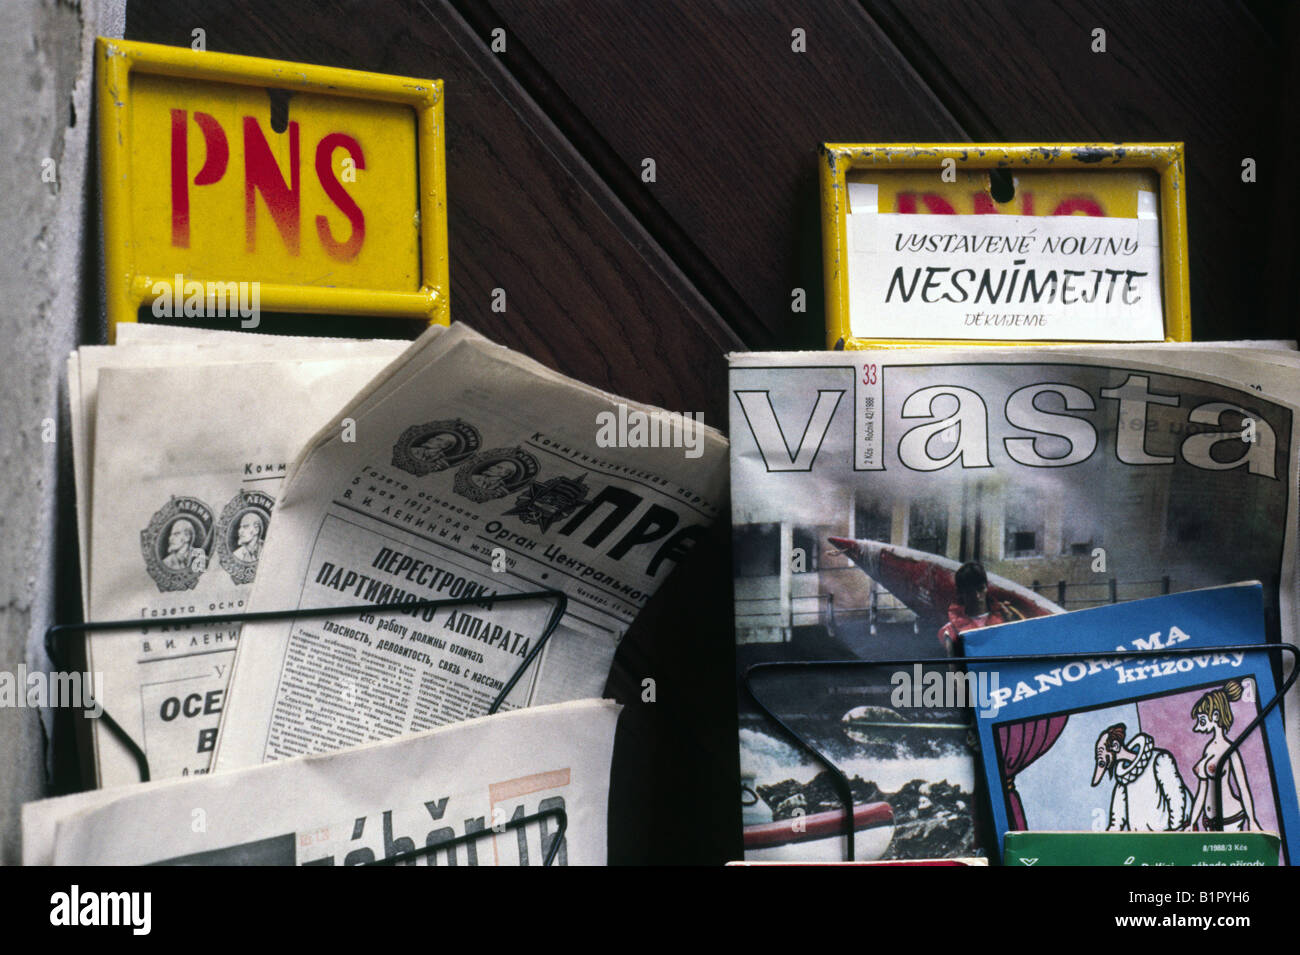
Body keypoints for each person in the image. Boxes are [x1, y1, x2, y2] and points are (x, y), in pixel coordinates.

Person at [1188, 680, 1262, 832]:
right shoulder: (1209, 748)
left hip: (1230, 819)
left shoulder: (1230, 749)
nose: (1197, 727)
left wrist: (1252, 820)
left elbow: (1243, 787)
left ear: (1215, 716)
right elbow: (1202, 790)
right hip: (1208, 821)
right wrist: (1192, 821)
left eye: (1202, 721)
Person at [1092, 723, 1193, 831]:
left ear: (1115, 746)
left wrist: (1175, 829)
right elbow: (1116, 822)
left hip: (1169, 836)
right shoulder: (1123, 781)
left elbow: (1175, 795)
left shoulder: (1158, 759)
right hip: (1142, 841)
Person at [937, 561, 1023, 654]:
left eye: (980, 589)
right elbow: (954, 667)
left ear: (987, 587)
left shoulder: (1008, 616)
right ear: (960, 593)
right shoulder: (950, 631)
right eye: (970, 592)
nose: (977, 596)